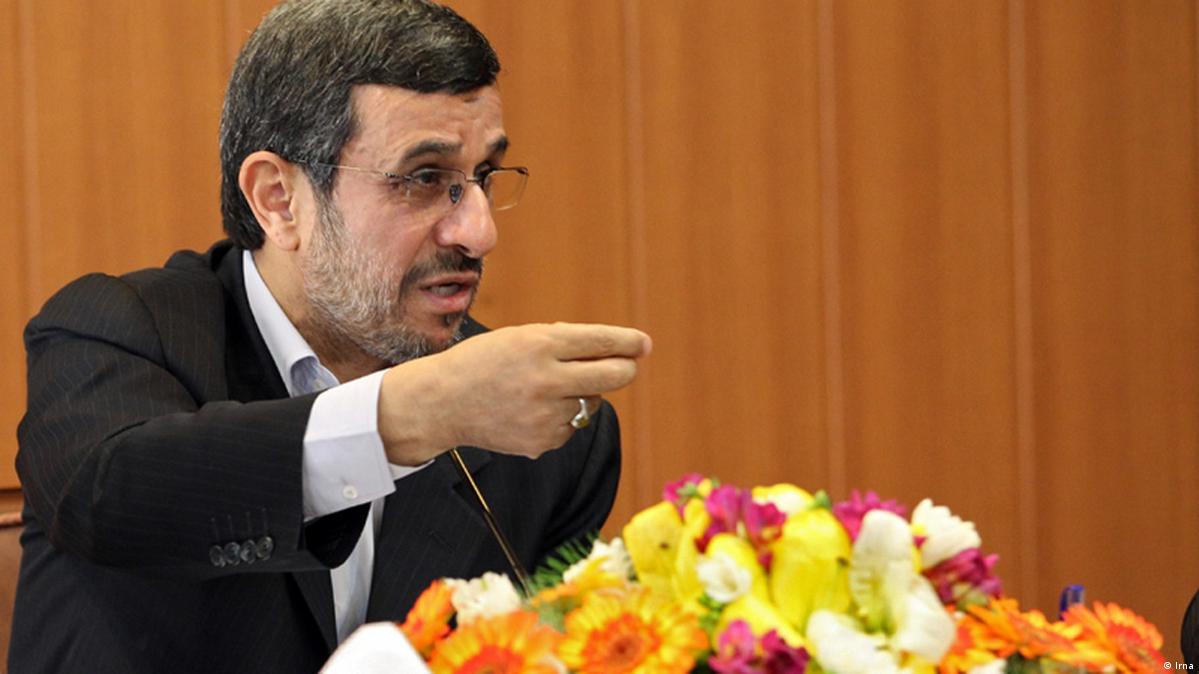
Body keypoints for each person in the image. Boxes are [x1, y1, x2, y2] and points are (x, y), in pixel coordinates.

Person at [9, 1, 651, 672]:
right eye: (425, 178)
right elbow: (110, 499)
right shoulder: (117, 330)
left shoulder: (543, 445)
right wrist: (413, 416)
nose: (478, 231)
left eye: (483, 177)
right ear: (279, 199)